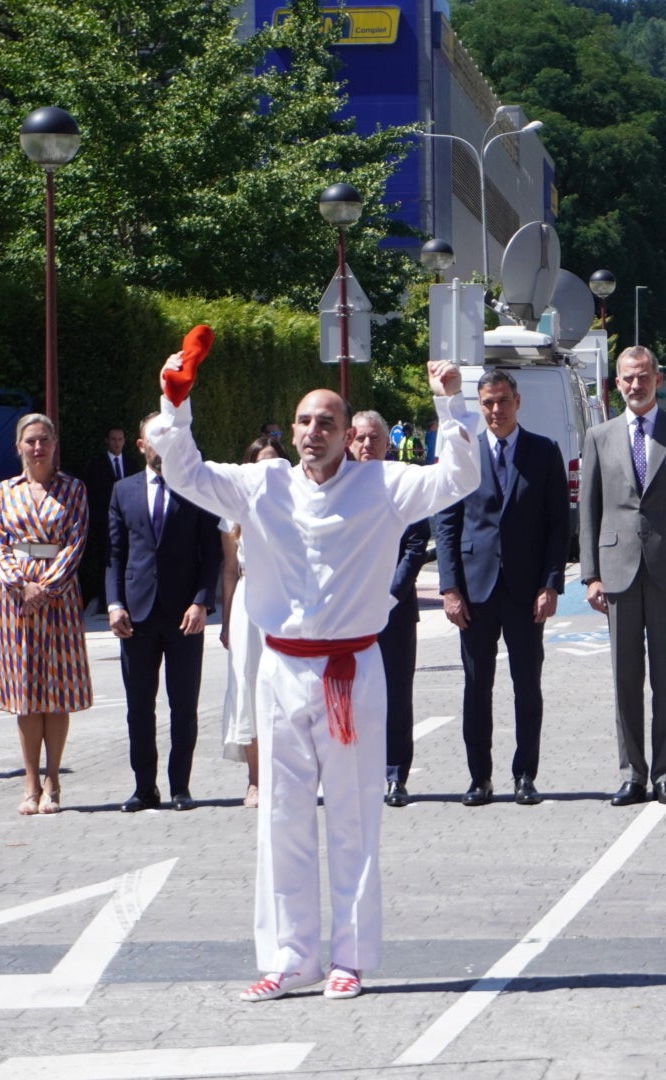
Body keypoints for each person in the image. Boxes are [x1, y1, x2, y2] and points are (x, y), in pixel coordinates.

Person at [145, 354, 478, 1003]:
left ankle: (348, 957)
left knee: (353, 820)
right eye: (303, 421)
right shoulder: (262, 485)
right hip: (283, 668)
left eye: (326, 421)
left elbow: (460, 476)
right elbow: (185, 471)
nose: (313, 431)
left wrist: (452, 403)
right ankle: (289, 956)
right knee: (283, 819)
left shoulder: (383, 484)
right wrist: (177, 403)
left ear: (347, 431)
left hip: (351, 670)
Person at [581, 346, 666, 807]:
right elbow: (590, 511)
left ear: (657, 379)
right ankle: (632, 774)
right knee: (624, 678)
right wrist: (591, 575)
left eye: (642, 377)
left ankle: (664, 776)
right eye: (626, 379)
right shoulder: (599, 436)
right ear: (616, 384)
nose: (635, 385)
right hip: (617, 573)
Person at [436, 370, 569, 807]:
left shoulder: (543, 451)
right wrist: (450, 588)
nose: (495, 411)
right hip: (474, 592)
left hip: (526, 590)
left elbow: (557, 525)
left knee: (527, 687)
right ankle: (480, 779)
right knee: (476, 688)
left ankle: (525, 776)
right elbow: (447, 525)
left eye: (502, 401)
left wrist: (551, 584)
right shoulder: (466, 453)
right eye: (487, 403)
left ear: (517, 401)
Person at [108, 415, 222, 813]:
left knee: (183, 704)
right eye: (155, 440)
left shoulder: (194, 488)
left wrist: (202, 601)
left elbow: (211, 553)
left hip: (183, 616)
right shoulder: (123, 491)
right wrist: (114, 603)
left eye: (169, 439)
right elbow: (116, 555)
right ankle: (144, 788)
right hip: (136, 617)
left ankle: (180, 786)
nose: (163, 447)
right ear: (141, 446)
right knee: (139, 706)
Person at [0, 414, 93, 815]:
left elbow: (75, 542)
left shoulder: (74, 489)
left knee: (58, 689)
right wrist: (22, 587)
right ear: (18, 446)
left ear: (54, 445)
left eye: (44, 440)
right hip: (17, 602)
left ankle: (54, 781)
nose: (37, 448)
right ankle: (30, 783)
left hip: (59, 599)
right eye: (30, 441)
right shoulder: (3, 492)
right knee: (26, 694)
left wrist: (46, 588)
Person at [349, 412, 430, 809]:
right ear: (349, 442)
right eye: (360, 438)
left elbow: (415, 547)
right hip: (347, 615)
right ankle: (357, 776)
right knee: (350, 696)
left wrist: (388, 596)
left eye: (374, 438)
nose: (367, 445)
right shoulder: (336, 487)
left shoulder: (403, 483)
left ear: (387, 443)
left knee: (396, 696)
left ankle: (396, 774)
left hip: (394, 612)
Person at [218, 436, 284, 809]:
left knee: (283, 687)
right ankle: (255, 779)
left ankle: (284, 774)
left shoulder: (294, 503)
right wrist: (227, 621)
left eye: (274, 462)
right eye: (260, 462)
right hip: (248, 596)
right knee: (247, 683)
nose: (267, 469)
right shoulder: (234, 507)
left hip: (283, 597)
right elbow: (229, 570)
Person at [82, 426, 138, 612]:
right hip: (104, 521)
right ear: (107, 440)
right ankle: (106, 600)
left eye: (120, 439)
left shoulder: (131, 464)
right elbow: (93, 493)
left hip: (128, 521)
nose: (117, 443)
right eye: (113, 439)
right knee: (105, 560)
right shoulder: (97, 464)